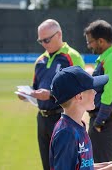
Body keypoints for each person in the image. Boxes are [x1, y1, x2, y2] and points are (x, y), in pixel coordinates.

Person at [17, 19, 85, 170]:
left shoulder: (72, 56)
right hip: (42, 119)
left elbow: (81, 89)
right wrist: (27, 94)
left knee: (66, 165)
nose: (44, 44)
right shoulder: (40, 60)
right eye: (40, 41)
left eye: (46, 40)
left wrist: (51, 95)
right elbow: (36, 87)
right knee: (47, 165)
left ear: (59, 34)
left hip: (64, 119)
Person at [49, 66, 112, 170]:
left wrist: (106, 165)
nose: (95, 92)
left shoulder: (77, 125)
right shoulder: (66, 133)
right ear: (79, 96)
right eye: (91, 89)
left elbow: (80, 166)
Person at [83, 20, 112, 163]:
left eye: (90, 42)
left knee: (106, 165)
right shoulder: (106, 58)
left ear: (101, 41)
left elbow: (109, 94)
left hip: (105, 120)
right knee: (97, 163)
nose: (89, 46)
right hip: (101, 118)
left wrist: (99, 121)